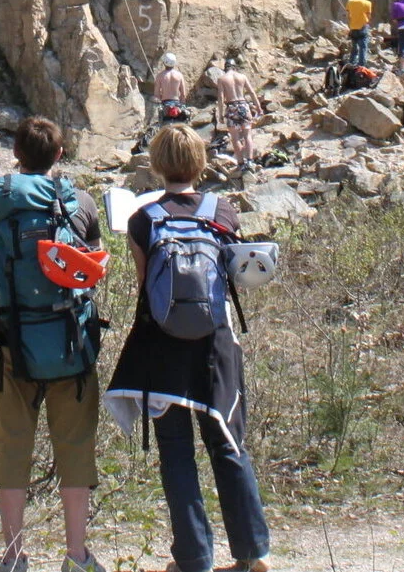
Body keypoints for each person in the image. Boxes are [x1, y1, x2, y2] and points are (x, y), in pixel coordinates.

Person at [105, 124, 271, 572]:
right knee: (228, 444)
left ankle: (193, 558)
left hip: (162, 348)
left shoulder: (143, 219)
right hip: (216, 345)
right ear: (199, 162)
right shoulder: (225, 213)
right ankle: (252, 555)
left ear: (158, 165)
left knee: (176, 451)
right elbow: (237, 278)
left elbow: (145, 288)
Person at [0, 116, 105, 572]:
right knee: (75, 446)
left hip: (13, 341)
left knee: (12, 445)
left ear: (17, 155)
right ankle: (75, 555)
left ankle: (13, 557)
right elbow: (92, 271)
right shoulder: (81, 201)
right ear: (59, 155)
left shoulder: (0, 199)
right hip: (71, 343)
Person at [215, 58, 261, 171]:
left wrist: (220, 114)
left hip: (231, 107)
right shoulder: (242, 77)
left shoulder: (222, 79)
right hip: (244, 106)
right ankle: (250, 162)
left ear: (225, 68)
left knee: (235, 138)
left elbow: (221, 98)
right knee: (247, 135)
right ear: (235, 67)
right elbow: (252, 92)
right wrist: (258, 107)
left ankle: (240, 164)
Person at [154, 52, 187, 123]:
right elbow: (183, 94)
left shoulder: (160, 76)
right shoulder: (179, 75)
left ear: (164, 62)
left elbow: (156, 94)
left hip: (165, 105)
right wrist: (182, 106)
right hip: (177, 105)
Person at [346, 0, 372, 67]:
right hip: (363, 27)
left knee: (354, 48)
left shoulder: (350, 1)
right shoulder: (368, 3)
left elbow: (348, 15)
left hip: (353, 27)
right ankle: (361, 66)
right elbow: (369, 16)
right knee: (363, 48)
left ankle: (351, 63)